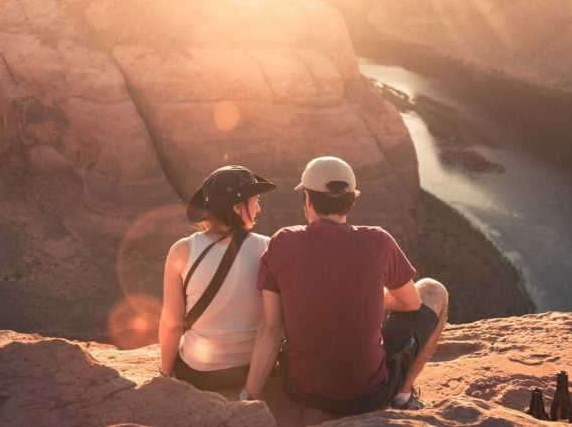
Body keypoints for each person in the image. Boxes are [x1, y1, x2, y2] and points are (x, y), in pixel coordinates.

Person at [240, 156, 448, 414]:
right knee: (433, 290)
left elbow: (271, 327)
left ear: (307, 199)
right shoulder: (379, 241)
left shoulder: (281, 241)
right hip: (368, 396)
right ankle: (403, 397)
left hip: (301, 391)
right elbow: (412, 303)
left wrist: (248, 398)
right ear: (351, 200)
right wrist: (376, 298)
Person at [158, 165, 276, 390]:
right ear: (238, 206)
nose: (259, 208)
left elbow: (172, 324)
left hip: (200, 373)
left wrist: (164, 374)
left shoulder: (182, 250)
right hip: (251, 368)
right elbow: (273, 323)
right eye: (256, 201)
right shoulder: (269, 247)